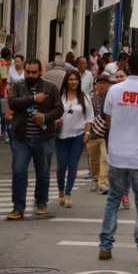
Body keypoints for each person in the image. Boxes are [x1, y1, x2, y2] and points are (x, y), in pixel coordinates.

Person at [98, 51, 138, 264]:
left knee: (113, 201)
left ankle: (105, 246)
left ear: (127, 65)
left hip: (117, 154)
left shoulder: (115, 90)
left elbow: (108, 120)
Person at [6, 59, 64, 220]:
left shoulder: (50, 88)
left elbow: (59, 109)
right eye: (28, 72)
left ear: (40, 72)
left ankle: (41, 203)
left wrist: (45, 117)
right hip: (21, 138)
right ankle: (18, 208)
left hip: (43, 137)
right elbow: (12, 103)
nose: (30, 75)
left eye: (34, 72)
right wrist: (32, 99)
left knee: (43, 172)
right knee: (18, 170)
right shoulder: (17, 86)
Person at [56, 70, 94, 208]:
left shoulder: (84, 97)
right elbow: (54, 113)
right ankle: (60, 190)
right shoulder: (60, 97)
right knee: (61, 166)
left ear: (79, 81)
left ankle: (68, 194)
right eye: (71, 79)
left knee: (72, 165)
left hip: (77, 136)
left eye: (76, 79)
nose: (73, 82)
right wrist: (55, 121)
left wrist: (87, 133)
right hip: (60, 136)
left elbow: (89, 117)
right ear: (66, 81)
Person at [86, 73, 114, 194]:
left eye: (105, 83)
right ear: (96, 84)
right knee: (94, 159)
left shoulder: (111, 97)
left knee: (104, 158)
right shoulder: (90, 98)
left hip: (105, 134)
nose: (102, 85)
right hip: (92, 133)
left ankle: (103, 183)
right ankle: (95, 179)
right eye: (100, 83)